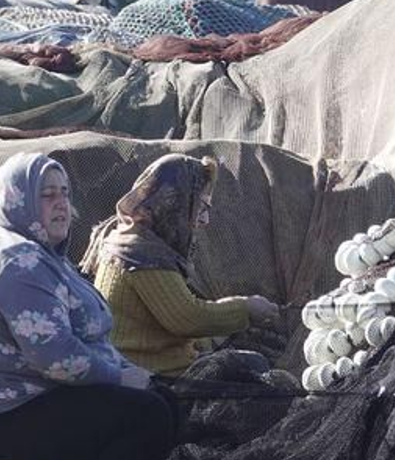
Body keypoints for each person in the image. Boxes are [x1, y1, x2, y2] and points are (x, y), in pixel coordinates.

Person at [0, 152, 175, 460]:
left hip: (18, 402)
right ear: (18, 200)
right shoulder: (16, 261)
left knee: (163, 404)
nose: (61, 204)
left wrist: (134, 376)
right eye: (46, 195)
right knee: (146, 416)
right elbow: (58, 360)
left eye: (64, 193)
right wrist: (121, 376)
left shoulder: (39, 254)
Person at [79, 154, 280, 376]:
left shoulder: (132, 240)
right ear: (175, 203)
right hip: (148, 375)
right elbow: (187, 319)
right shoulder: (140, 254)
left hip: (148, 366)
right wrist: (246, 308)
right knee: (257, 368)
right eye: (200, 207)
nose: (204, 221)